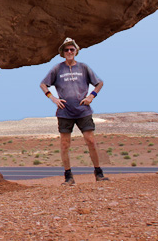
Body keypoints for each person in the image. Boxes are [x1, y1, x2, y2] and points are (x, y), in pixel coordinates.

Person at [40, 37, 109, 185]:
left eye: (72, 49)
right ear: (62, 52)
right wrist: (53, 99)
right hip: (65, 112)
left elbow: (99, 83)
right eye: (66, 50)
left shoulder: (83, 67)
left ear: (76, 51)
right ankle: (68, 176)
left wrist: (92, 96)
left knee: (90, 140)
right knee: (65, 144)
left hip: (83, 110)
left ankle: (99, 173)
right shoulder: (57, 69)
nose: (69, 52)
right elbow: (43, 84)